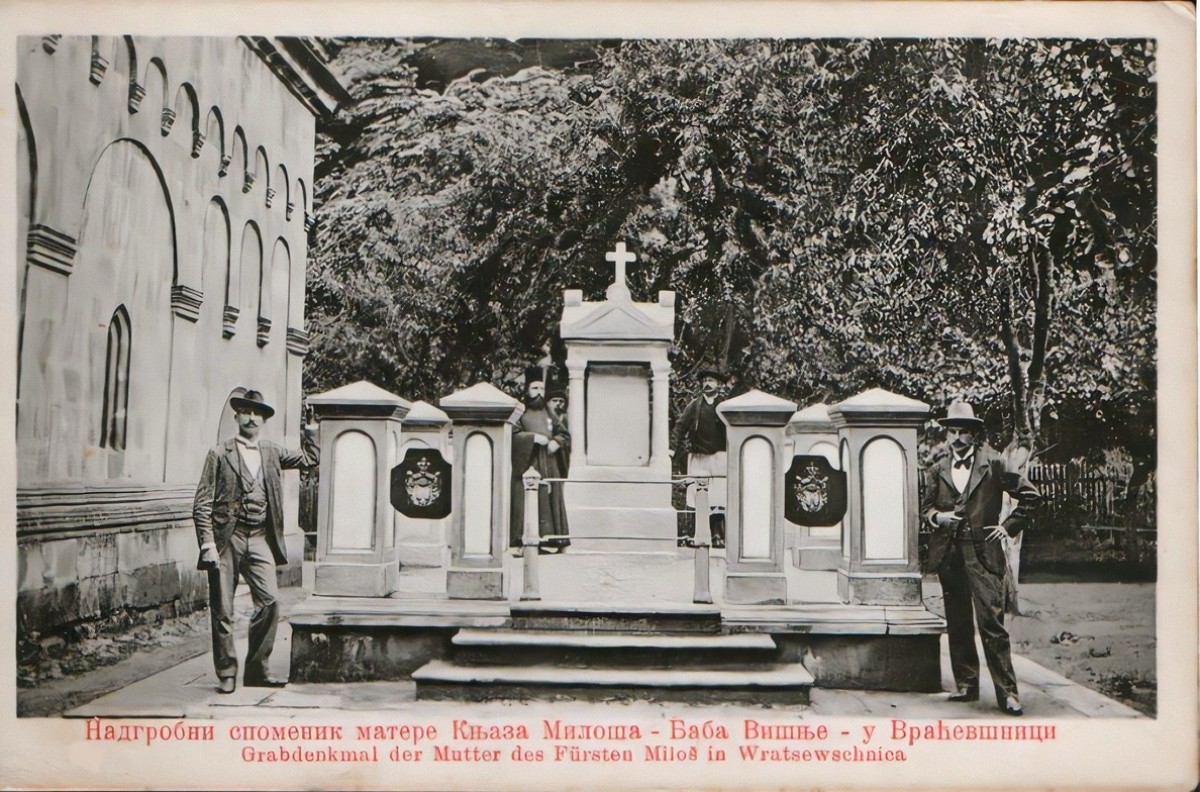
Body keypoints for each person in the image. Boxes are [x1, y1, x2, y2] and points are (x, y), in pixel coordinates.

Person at [193, 390, 318, 694]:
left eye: (257, 413)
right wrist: (207, 543)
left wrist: (311, 427)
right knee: (223, 608)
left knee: (271, 602)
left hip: (261, 536)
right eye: (245, 412)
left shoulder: (272, 452)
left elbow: (311, 459)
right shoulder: (219, 453)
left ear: (263, 419)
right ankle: (226, 672)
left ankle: (256, 670)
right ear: (236, 417)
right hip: (227, 540)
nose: (251, 417)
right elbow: (202, 503)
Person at [922, 401, 1041, 716]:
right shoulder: (937, 467)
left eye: (964, 431)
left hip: (984, 554)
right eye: (953, 431)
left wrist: (1007, 527)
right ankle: (966, 684)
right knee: (957, 621)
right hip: (949, 554)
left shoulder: (994, 464)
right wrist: (938, 518)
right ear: (947, 433)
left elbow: (1030, 495)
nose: (958, 437)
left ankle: (1008, 694)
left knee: (991, 624)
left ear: (975, 434)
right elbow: (926, 508)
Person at [511, 367, 571, 553]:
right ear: (527, 390)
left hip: (550, 463)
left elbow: (564, 434)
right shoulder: (520, 413)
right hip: (528, 462)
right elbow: (513, 434)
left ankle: (553, 542)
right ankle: (522, 542)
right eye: (535, 388)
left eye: (542, 389)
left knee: (551, 497)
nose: (539, 392)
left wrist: (556, 442)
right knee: (526, 499)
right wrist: (531, 439)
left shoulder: (550, 414)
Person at [669, 367, 729, 548]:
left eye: (711, 380)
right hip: (698, 456)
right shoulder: (694, 406)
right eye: (704, 381)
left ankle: (717, 535)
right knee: (693, 493)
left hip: (719, 457)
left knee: (718, 496)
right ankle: (690, 534)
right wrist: (671, 450)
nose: (707, 384)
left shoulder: (725, 406)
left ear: (718, 384)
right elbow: (680, 427)